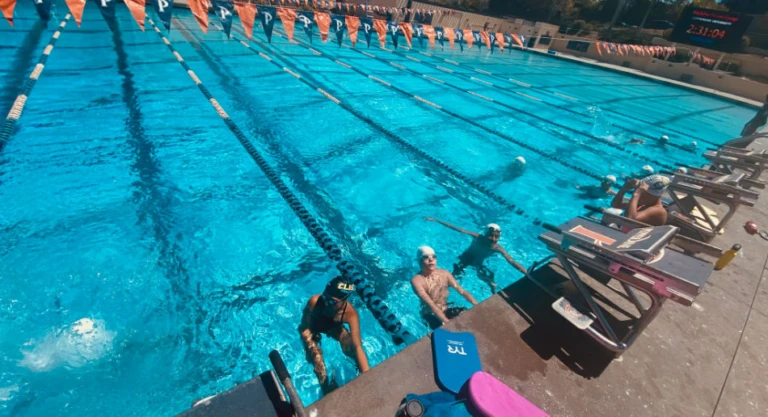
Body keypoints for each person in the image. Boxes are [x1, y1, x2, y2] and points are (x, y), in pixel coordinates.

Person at [299, 276, 369, 393]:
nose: (326, 303)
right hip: (313, 327)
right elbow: (305, 326)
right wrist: (311, 339)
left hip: (333, 328)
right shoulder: (315, 301)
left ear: (345, 299)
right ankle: (325, 387)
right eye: (325, 296)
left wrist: (368, 376)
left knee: (350, 343)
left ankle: (359, 374)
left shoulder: (351, 314)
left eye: (332, 301)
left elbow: (358, 346)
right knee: (316, 355)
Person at [424, 218, 527, 292]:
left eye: (496, 237)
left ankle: (494, 293)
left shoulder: (497, 248)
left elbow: (511, 261)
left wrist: (526, 273)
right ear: (485, 234)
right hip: (466, 258)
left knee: (490, 281)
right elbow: (457, 229)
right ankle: (439, 290)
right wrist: (436, 220)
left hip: (478, 263)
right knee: (454, 276)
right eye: (491, 235)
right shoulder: (477, 237)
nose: (493, 239)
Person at [411, 246, 478, 329]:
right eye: (426, 257)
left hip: (446, 309)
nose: (431, 259)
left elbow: (462, 291)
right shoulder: (417, 280)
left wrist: (477, 305)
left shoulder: (445, 274)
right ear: (419, 261)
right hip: (430, 315)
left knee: (470, 317)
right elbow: (431, 305)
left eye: (433, 257)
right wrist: (447, 323)